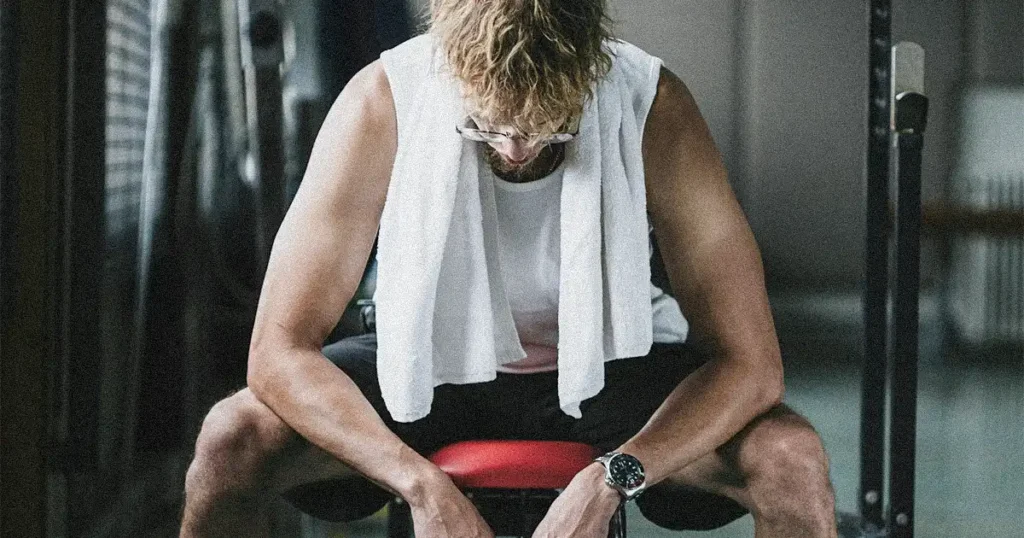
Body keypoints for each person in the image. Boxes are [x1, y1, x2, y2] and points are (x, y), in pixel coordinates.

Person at [180, 1, 838, 536]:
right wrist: (416, 482)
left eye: (547, 130)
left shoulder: (651, 105)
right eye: (488, 128)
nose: (517, 150)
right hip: (426, 367)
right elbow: (276, 352)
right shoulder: (384, 102)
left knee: (791, 461)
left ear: (587, 77)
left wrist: (620, 473)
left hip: (612, 367)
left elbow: (752, 363)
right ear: (454, 75)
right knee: (231, 440)